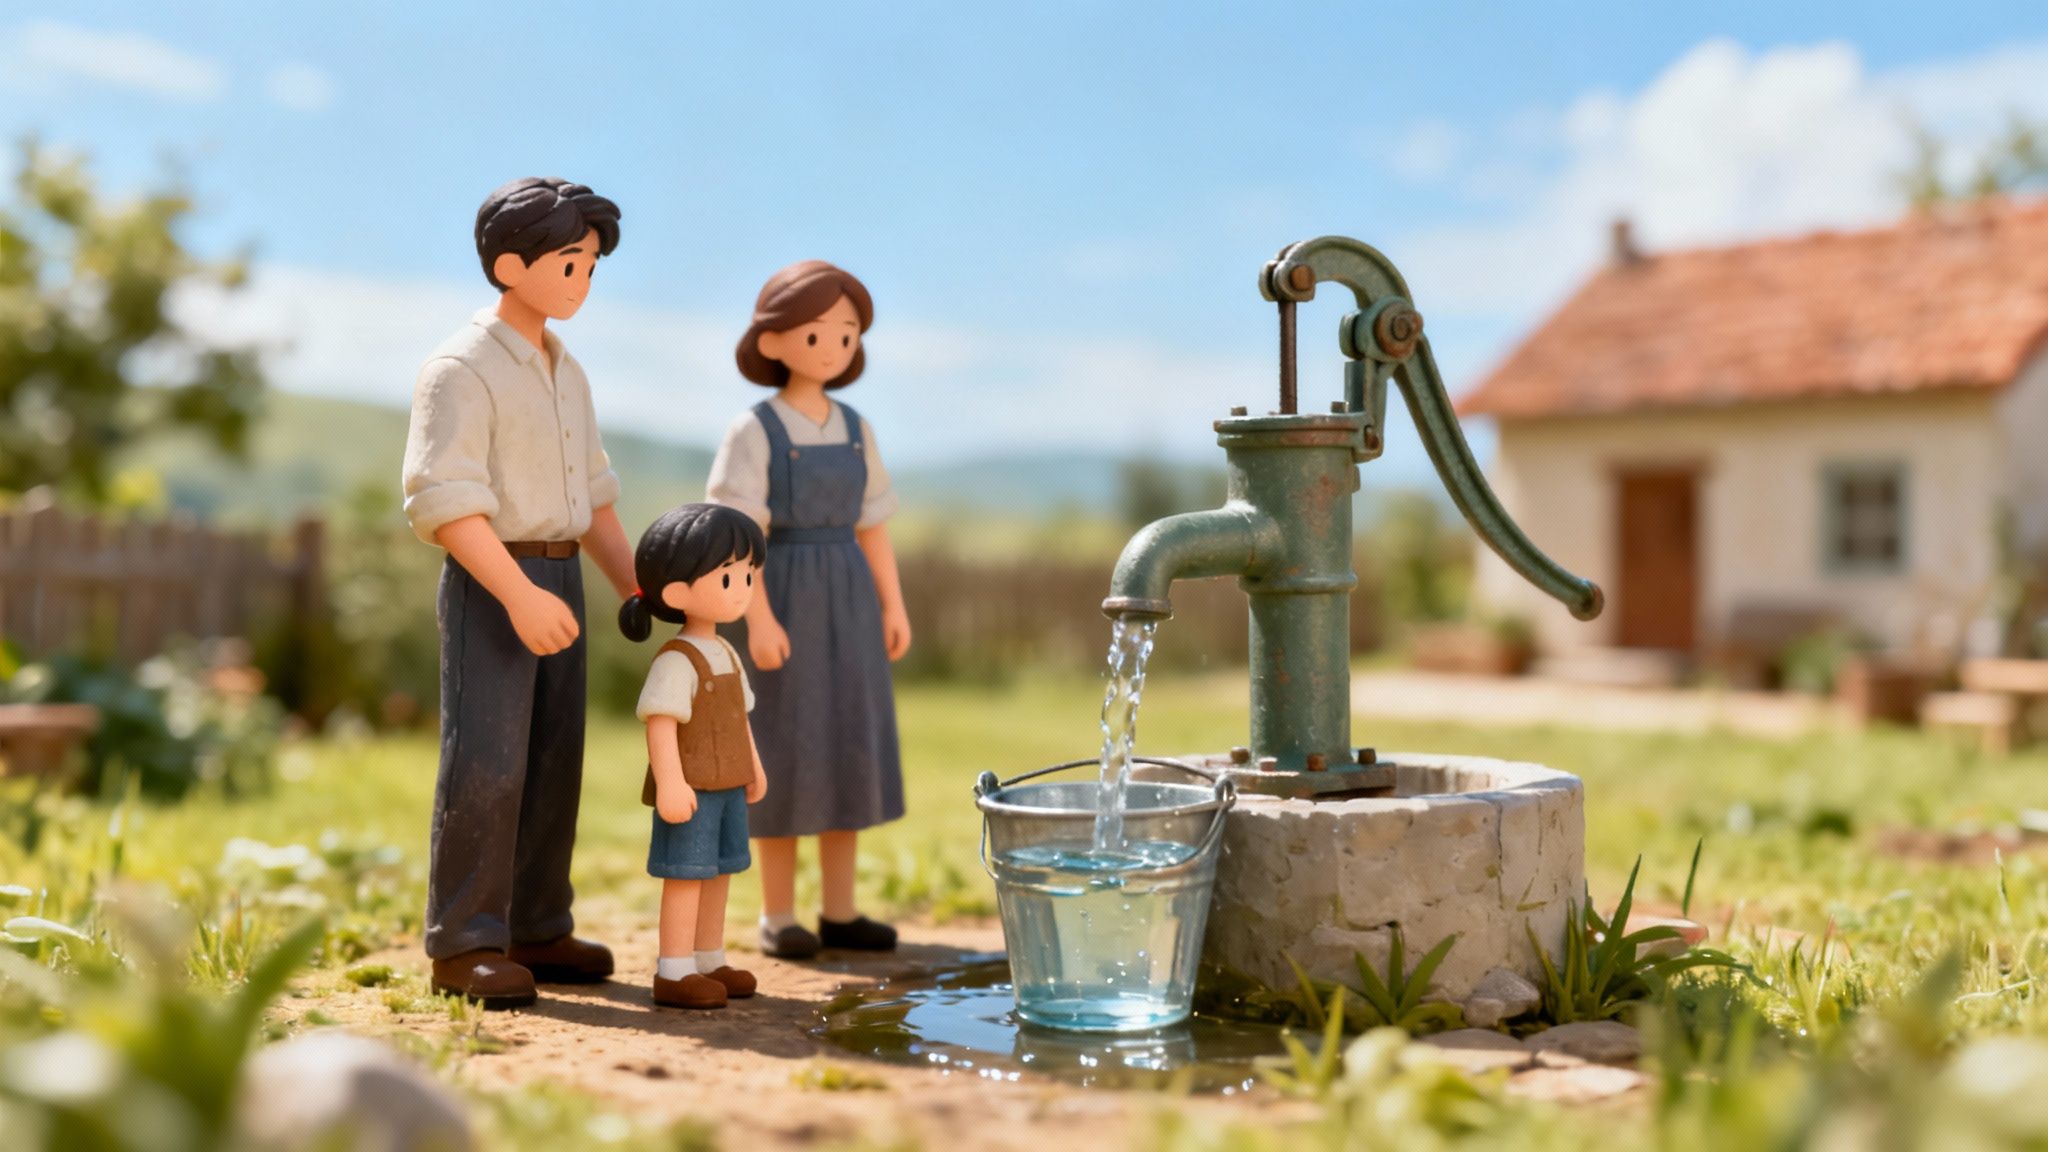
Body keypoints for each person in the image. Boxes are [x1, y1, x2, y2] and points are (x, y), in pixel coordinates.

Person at [401, 177, 634, 1008]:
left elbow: (595, 494)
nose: (584, 279)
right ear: (510, 264)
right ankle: (464, 940)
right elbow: (447, 504)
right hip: (493, 578)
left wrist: (632, 584)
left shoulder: (566, 372)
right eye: (571, 262)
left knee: (552, 759)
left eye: (591, 265)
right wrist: (516, 595)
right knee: (488, 762)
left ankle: (538, 922)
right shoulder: (460, 370)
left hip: (562, 569)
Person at [708, 260, 912, 959]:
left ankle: (842, 910)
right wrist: (756, 618)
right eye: (819, 333)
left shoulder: (858, 428)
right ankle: (778, 914)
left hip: (850, 597)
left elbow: (874, 524)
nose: (835, 348)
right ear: (772, 341)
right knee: (787, 748)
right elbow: (739, 537)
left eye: (848, 335)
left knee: (849, 743)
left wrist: (893, 604)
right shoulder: (754, 430)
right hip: (785, 590)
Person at [619, 503, 771, 1009]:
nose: (744, 588)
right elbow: (660, 724)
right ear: (677, 592)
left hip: (728, 785)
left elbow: (740, 716)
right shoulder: (675, 660)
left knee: (721, 869)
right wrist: (670, 783)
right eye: (730, 578)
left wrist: (754, 766)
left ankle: (709, 957)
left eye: (748, 575)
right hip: (691, 790)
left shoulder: (726, 653)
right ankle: (674, 968)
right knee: (686, 874)